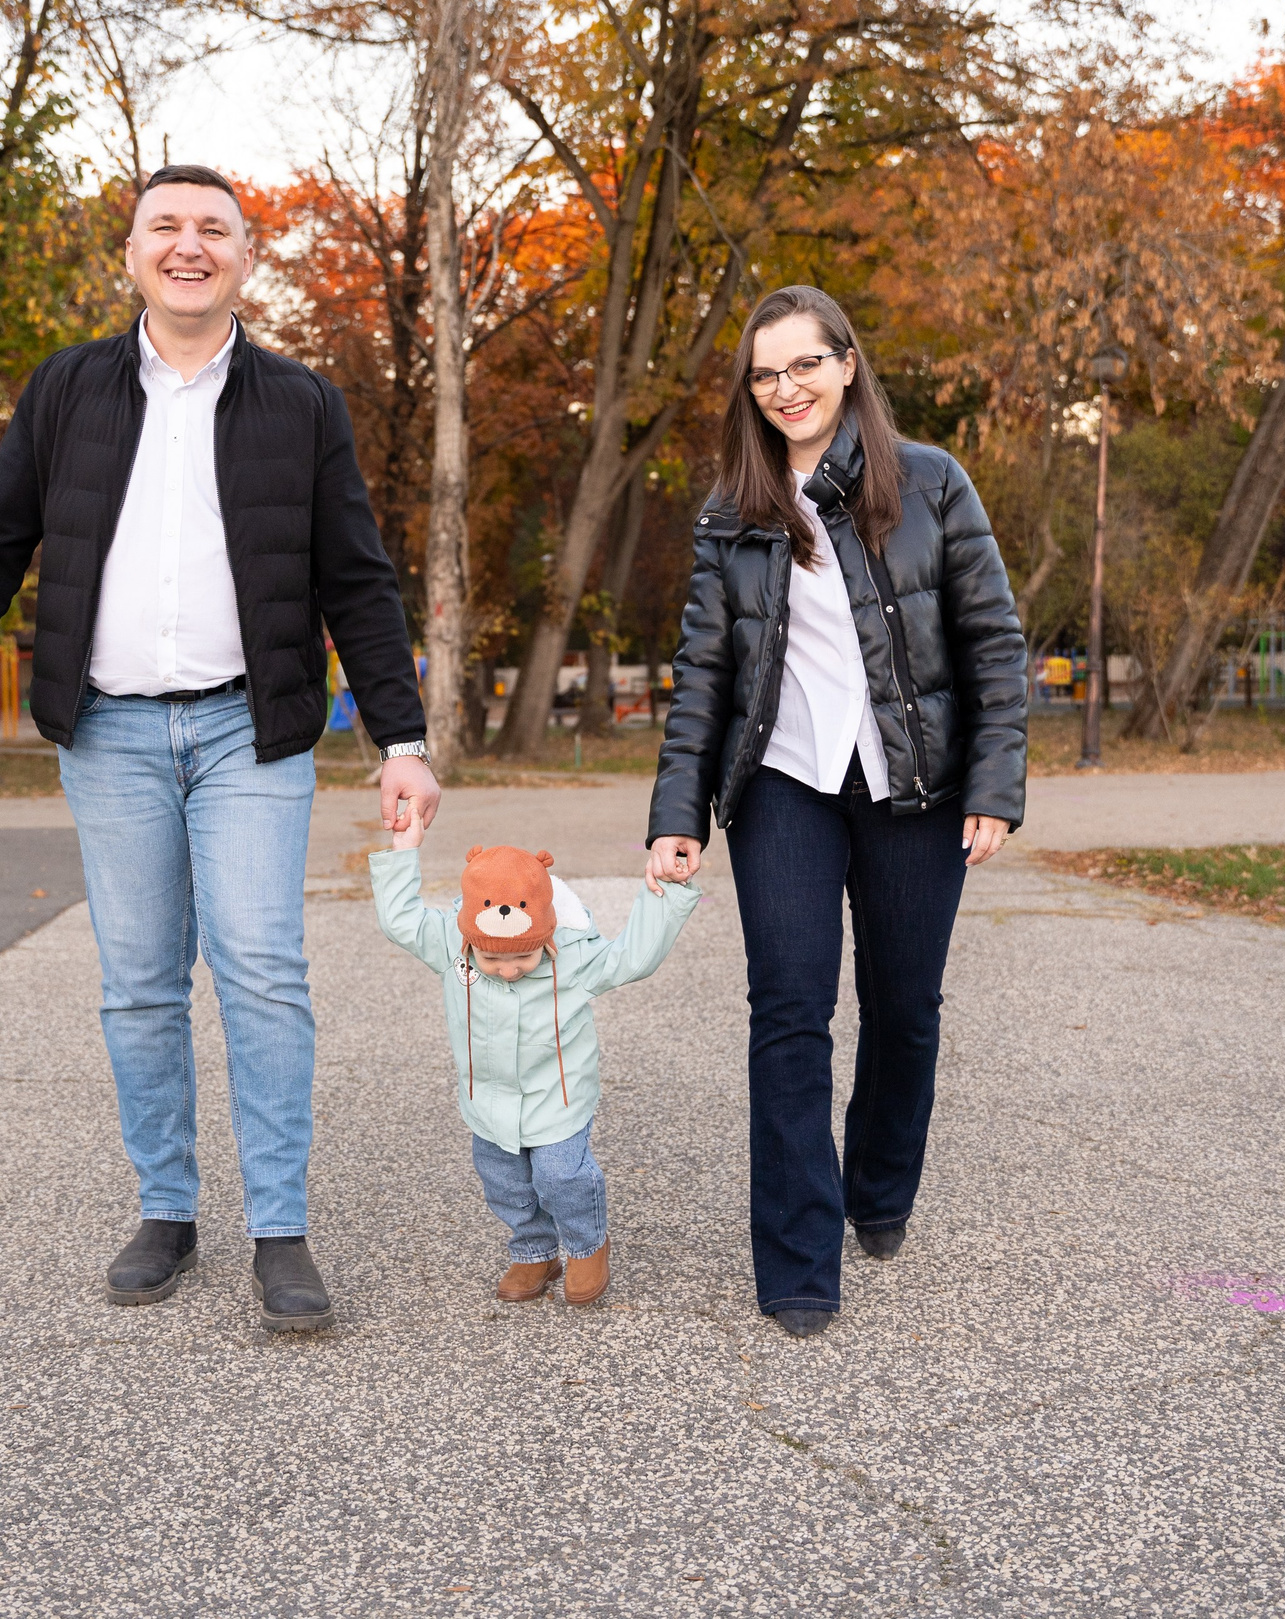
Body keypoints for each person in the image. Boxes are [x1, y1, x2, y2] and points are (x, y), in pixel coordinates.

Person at [0, 164, 442, 1333]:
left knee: (262, 976)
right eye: (165, 229)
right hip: (113, 734)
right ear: (131, 253)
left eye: (214, 231)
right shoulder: (67, 391)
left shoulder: (302, 404)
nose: (189, 247)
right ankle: (167, 1208)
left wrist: (402, 736)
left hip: (254, 729)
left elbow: (357, 578)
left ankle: (278, 1229)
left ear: (246, 255)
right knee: (139, 985)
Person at [644, 284, 1027, 1339]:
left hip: (915, 789)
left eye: (803, 365)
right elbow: (702, 678)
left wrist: (995, 787)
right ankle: (797, 1256)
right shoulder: (732, 513)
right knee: (789, 1013)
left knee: (903, 1010)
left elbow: (994, 643)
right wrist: (677, 812)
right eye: (764, 374)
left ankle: (881, 1188)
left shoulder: (933, 485)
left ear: (847, 364)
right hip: (783, 791)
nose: (785, 389)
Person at [368, 822, 698, 1308]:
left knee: (560, 1175)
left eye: (523, 957)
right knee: (504, 1182)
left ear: (546, 934)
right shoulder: (450, 944)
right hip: (489, 1100)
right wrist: (403, 850)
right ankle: (534, 1251)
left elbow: (634, 958)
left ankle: (588, 1244)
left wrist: (668, 891)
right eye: (491, 959)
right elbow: (400, 920)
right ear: (469, 938)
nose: (506, 969)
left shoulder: (574, 955)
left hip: (557, 1099)